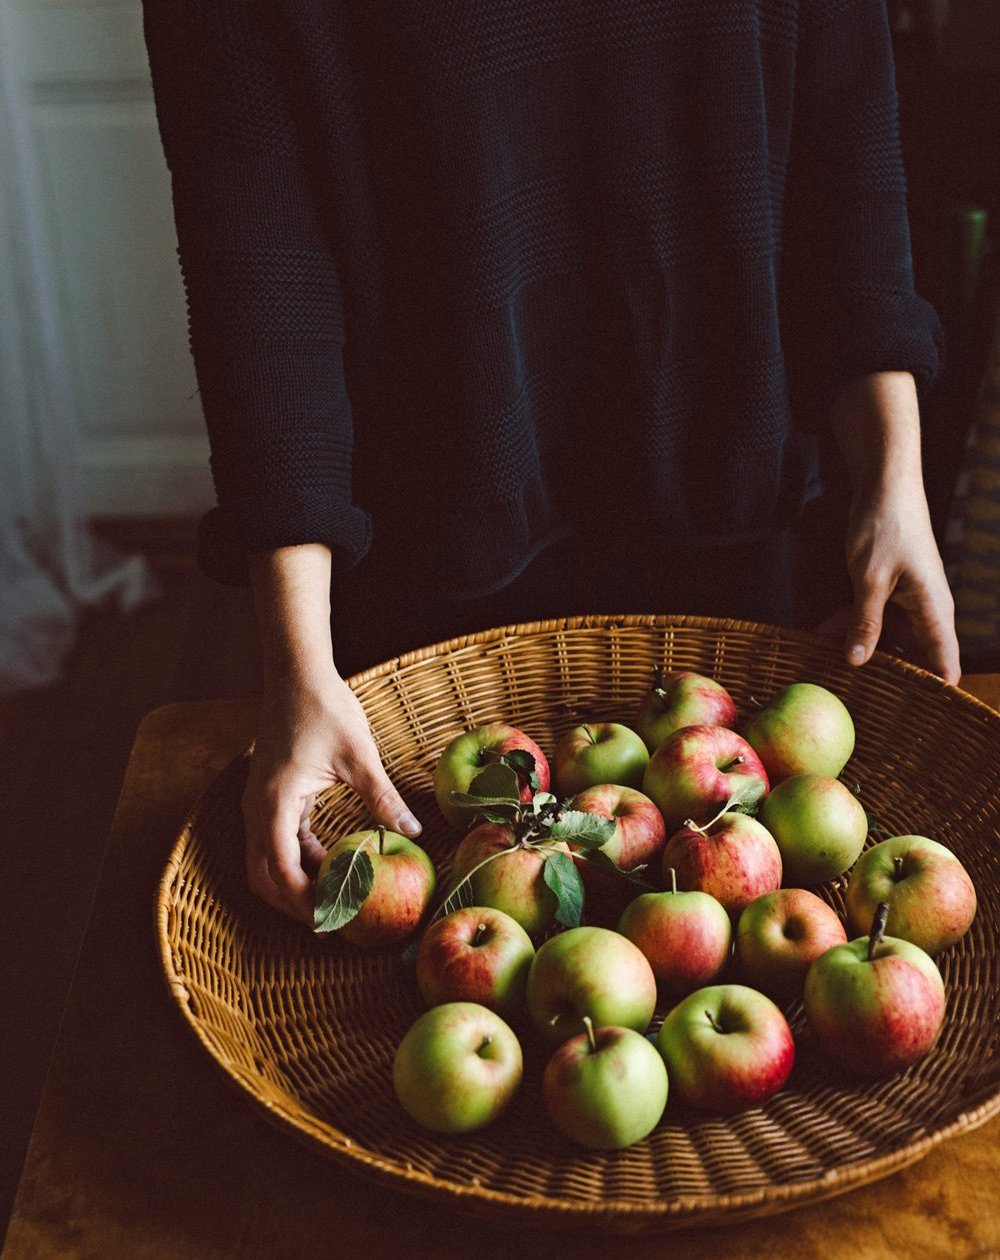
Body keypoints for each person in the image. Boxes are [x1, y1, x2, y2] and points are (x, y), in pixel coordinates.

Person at [142, 0, 961, 928]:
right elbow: (259, 268)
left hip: (735, 534)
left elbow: (845, 140)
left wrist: (896, 478)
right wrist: (296, 661)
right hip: (423, 570)